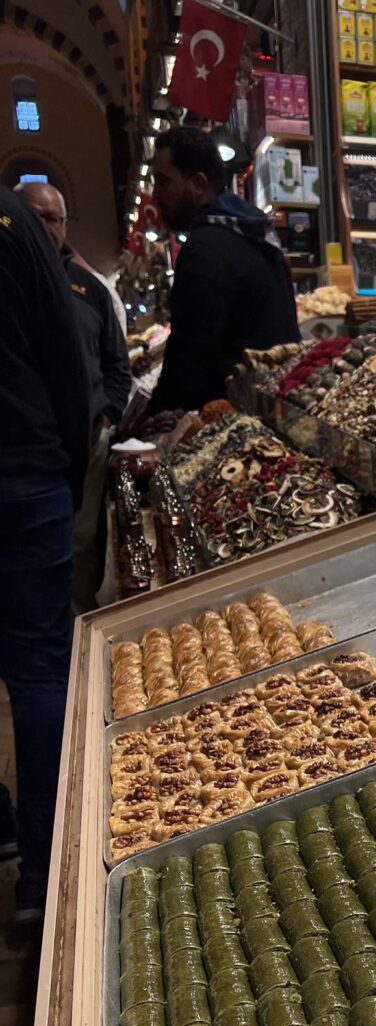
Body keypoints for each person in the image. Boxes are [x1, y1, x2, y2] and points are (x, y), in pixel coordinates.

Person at [0, 185, 92, 929]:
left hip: (28, 472)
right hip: (24, 475)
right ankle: (41, 872)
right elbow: (67, 359)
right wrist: (65, 467)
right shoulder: (15, 228)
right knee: (37, 672)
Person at [17, 180, 131, 612]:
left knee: (83, 541)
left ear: (66, 225)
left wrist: (106, 417)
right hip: (25, 452)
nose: (44, 226)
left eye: (52, 218)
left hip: (87, 443)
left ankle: (79, 624)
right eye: (33, 216)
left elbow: (117, 367)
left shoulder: (90, 290)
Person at [150, 125, 298, 412]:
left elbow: (188, 358)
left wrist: (155, 418)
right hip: (277, 403)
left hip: (231, 415)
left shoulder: (205, 249)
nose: (155, 194)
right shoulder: (254, 231)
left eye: (162, 181)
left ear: (198, 184)